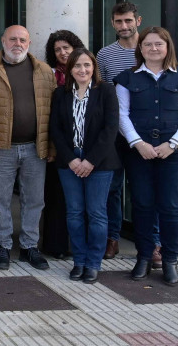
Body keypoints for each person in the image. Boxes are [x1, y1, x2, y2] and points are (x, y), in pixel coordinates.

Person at [114, 26, 178, 286]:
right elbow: (121, 115)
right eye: (148, 44)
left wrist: (172, 144)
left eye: (158, 44)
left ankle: (170, 260)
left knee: (170, 207)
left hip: (173, 154)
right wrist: (137, 143)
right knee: (142, 204)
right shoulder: (126, 79)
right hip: (138, 152)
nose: (153, 49)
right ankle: (142, 257)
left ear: (167, 48)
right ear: (140, 49)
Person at [0, 25, 56, 271]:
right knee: (0, 199)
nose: (18, 43)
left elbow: (54, 111)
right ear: (3, 40)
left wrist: (52, 146)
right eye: (13, 39)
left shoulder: (44, 71)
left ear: (29, 42)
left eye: (23, 39)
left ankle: (29, 246)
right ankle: (3, 246)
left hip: (35, 148)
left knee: (34, 199)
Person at [96, 1, 161, 266]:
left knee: (145, 189)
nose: (124, 26)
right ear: (112, 23)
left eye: (128, 21)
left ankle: (154, 243)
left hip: (144, 134)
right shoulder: (104, 55)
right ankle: (112, 238)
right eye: (119, 21)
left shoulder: (150, 50)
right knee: (111, 188)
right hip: (114, 134)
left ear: (138, 20)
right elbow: (101, 94)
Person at [49, 48, 120, 284]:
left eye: (87, 65)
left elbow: (111, 129)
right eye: (77, 66)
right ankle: (79, 261)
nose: (82, 70)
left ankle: (93, 263)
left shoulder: (106, 91)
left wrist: (90, 160)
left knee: (97, 213)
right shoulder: (60, 94)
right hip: (69, 161)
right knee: (75, 213)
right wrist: (71, 159)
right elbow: (56, 130)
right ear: (70, 69)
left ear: (94, 68)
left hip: (98, 162)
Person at [41, 30, 87, 259]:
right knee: (56, 198)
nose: (62, 53)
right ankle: (55, 245)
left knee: (81, 201)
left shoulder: (86, 73)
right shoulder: (48, 75)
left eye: (66, 48)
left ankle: (78, 245)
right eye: (57, 49)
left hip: (83, 150)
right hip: (57, 146)